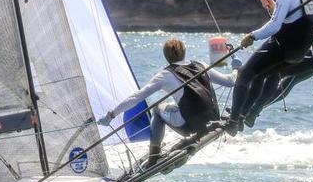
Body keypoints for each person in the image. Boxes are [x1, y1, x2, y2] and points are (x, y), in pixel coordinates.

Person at [98, 38, 235, 167]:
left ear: (165, 56)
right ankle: (160, 152)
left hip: (190, 127)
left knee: (157, 108)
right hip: (213, 120)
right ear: (184, 51)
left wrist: (111, 115)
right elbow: (230, 81)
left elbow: (136, 97)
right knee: (173, 105)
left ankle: (153, 156)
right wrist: (236, 69)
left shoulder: (165, 75)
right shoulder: (201, 65)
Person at [227, 0, 313, 133]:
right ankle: (246, 115)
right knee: (267, 74)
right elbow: (296, 16)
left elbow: (275, 25)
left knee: (245, 74)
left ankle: (233, 121)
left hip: (283, 46)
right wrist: (274, 7)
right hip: (300, 51)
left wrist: (252, 36)